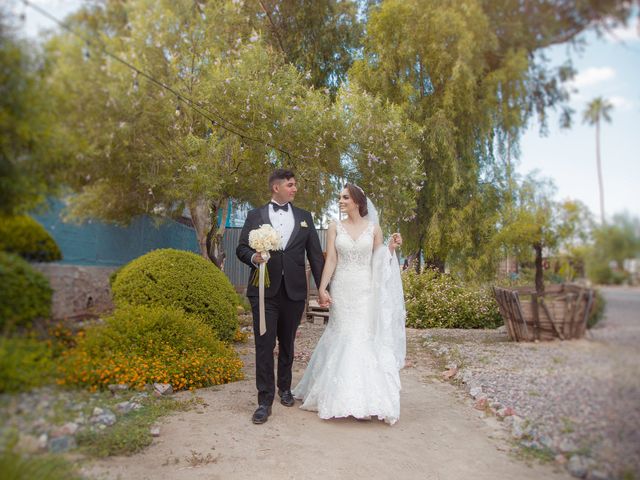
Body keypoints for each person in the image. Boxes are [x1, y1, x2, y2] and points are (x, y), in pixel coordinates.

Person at [292, 184, 406, 425]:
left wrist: (391, 249)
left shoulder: (374, 229)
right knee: (343, 334)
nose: (341, 201)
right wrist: (322, 287)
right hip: (342, 287)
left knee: (361, 337)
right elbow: (331, 259)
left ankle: (364, 400)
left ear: (357, 201)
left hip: (365, 290)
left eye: (345, 197)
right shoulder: (335, 227)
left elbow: (378, 260)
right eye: (340, 197)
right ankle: (339, 396)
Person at [236, 169, 325, 425]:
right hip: (264, 292)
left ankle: (284, 388)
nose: (295, 188)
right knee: (264, 345)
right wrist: (254, 258)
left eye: (294, 185)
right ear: (277, 188)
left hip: (295, 292)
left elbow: (315, 257)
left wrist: (321, 288)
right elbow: (242, 248)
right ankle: (264, 400)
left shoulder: (305, 218)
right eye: (291, 184)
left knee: (288, 343)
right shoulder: (255, 216)